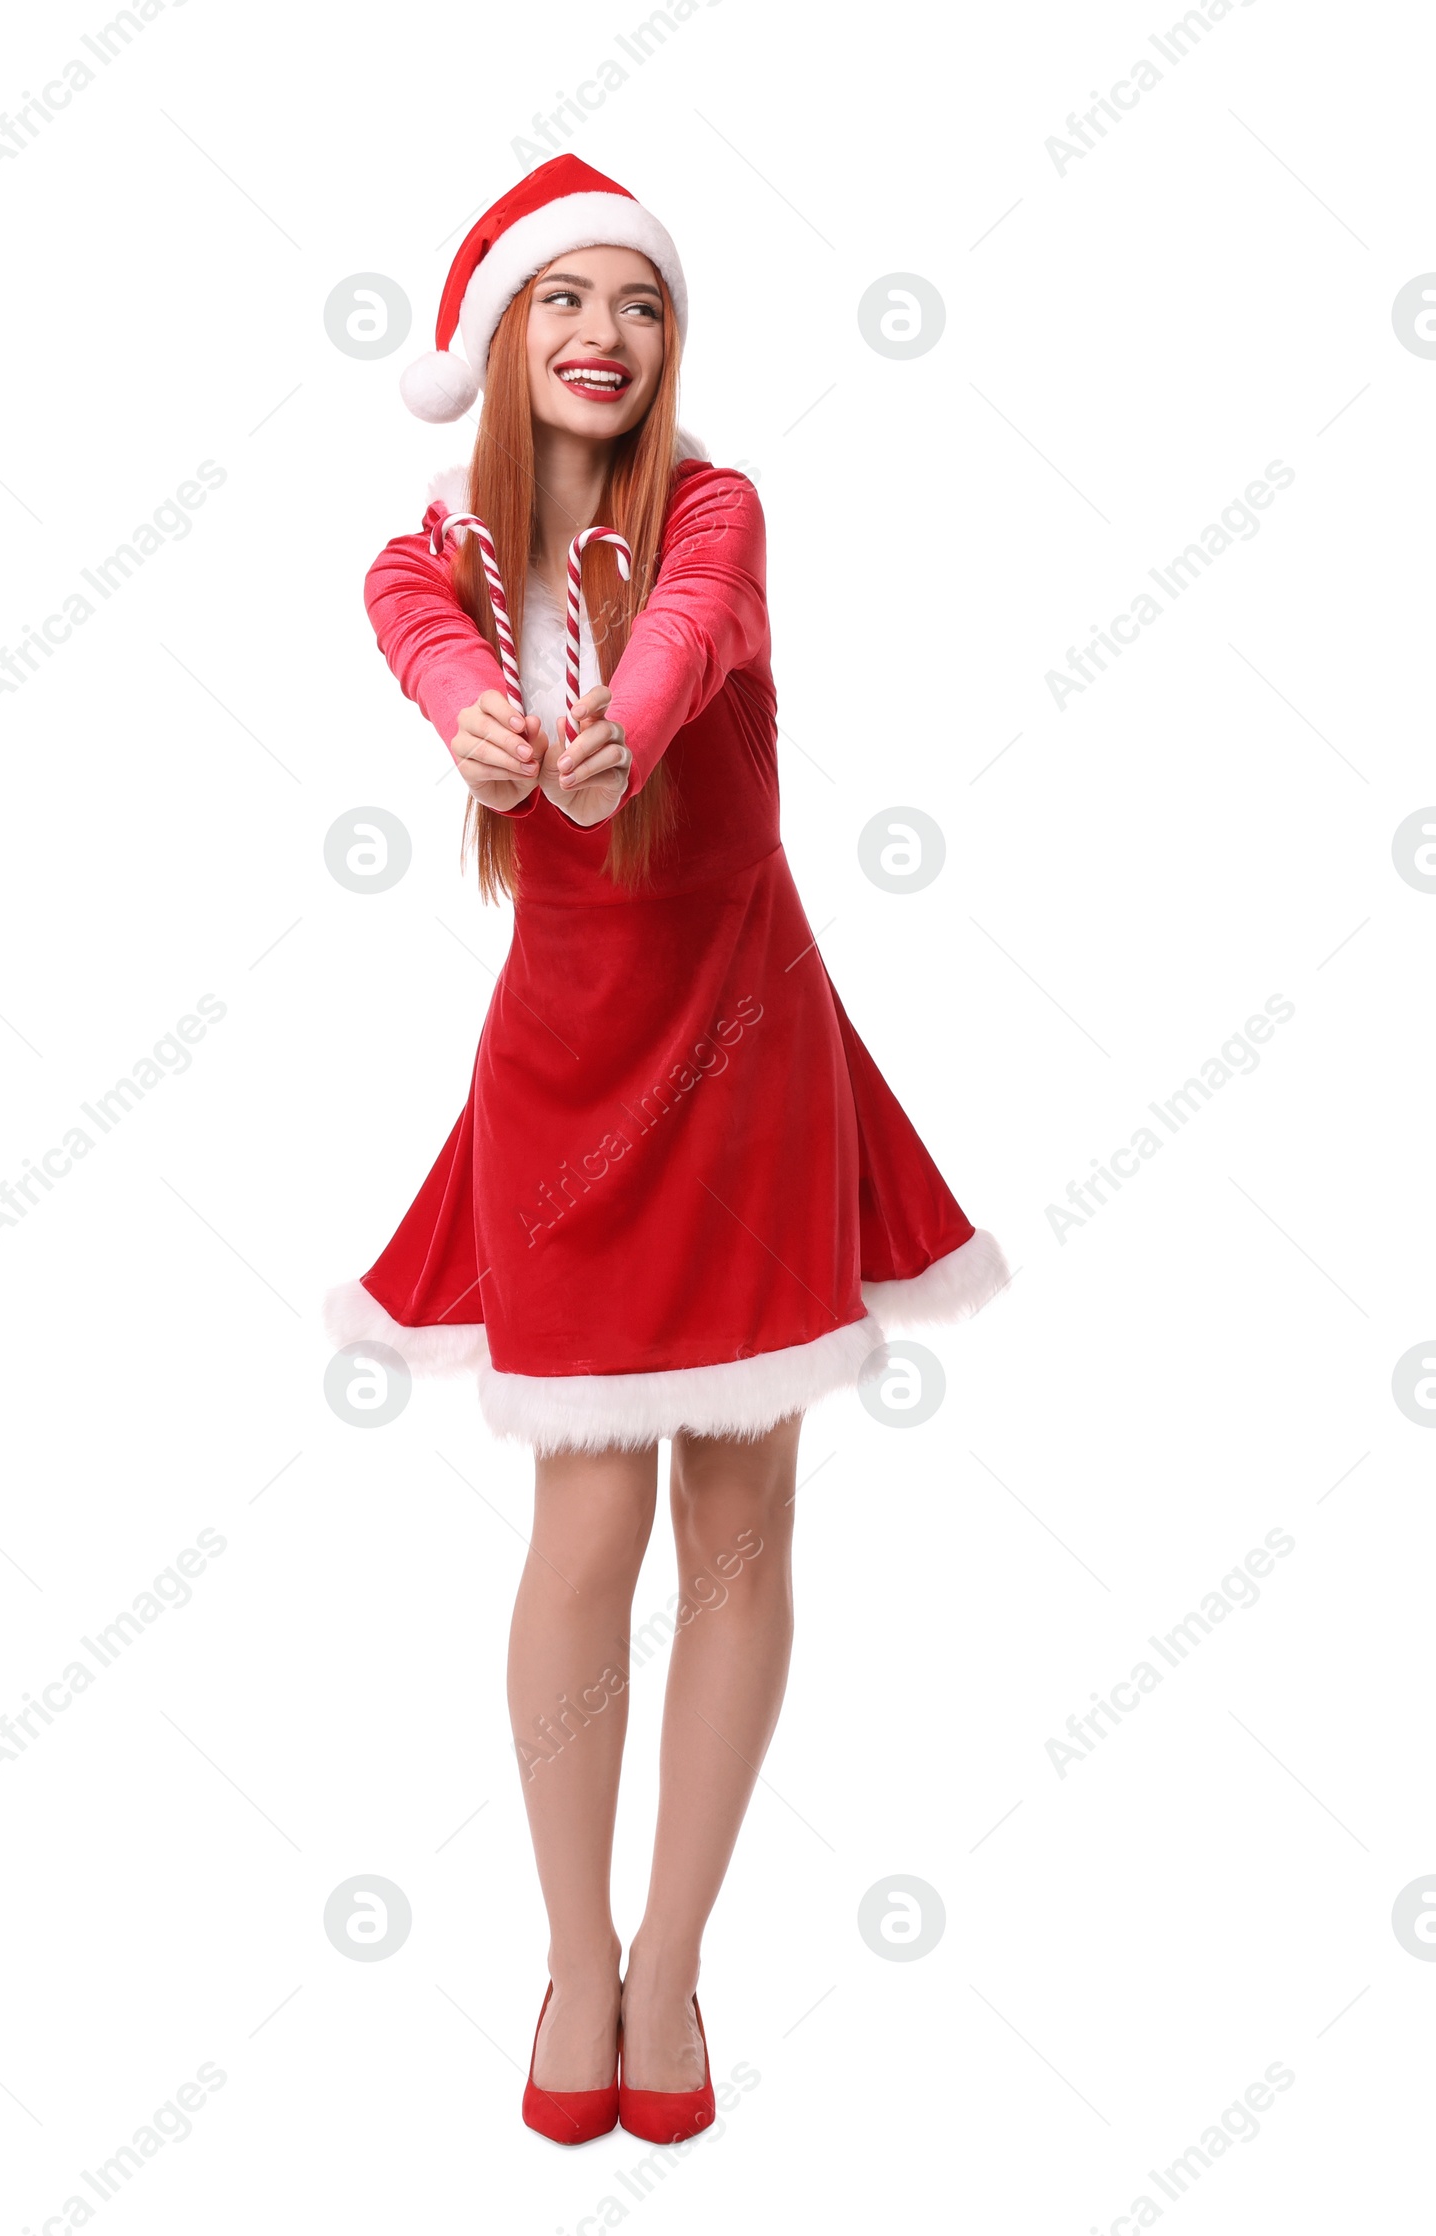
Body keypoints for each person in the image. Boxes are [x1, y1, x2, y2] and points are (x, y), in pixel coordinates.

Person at [326, 154, 1008, 2145]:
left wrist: (614, 724)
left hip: (746, 1061)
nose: (603, 333)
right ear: (502, 343)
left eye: (634, 300)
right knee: (582, 1530)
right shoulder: (423, 566)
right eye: (563, 300)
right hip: (557, 1078)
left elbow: (688, 634)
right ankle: (567, 1955)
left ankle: (674, 1963)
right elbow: (433, 653)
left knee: (738, 1521)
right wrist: (480, 716)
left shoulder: (712, 510)